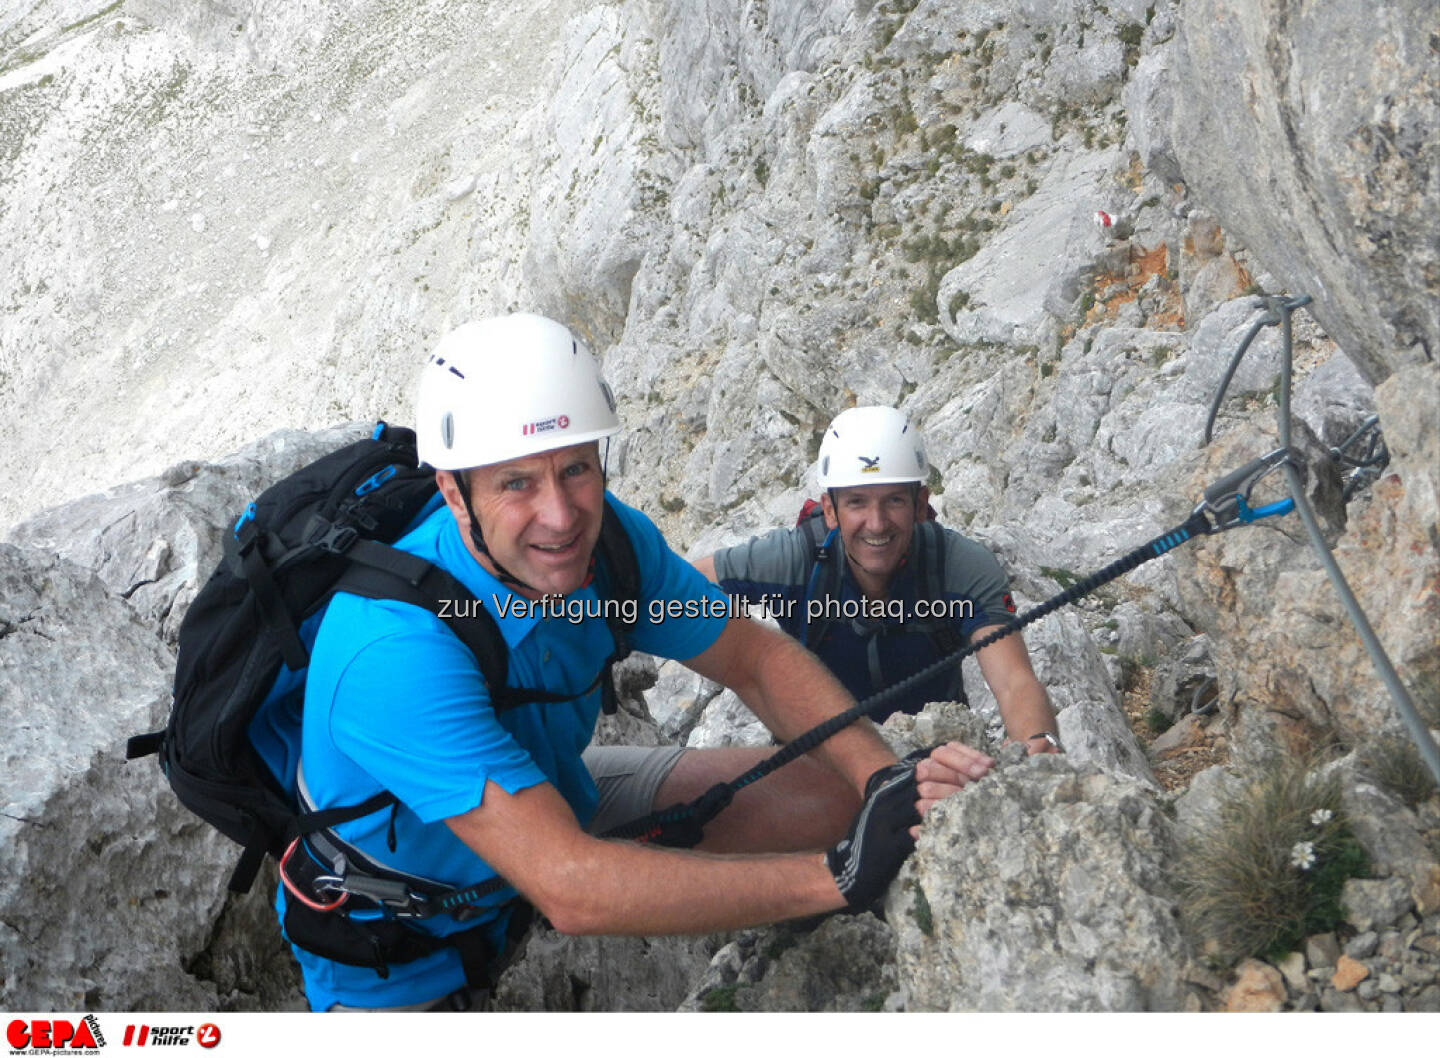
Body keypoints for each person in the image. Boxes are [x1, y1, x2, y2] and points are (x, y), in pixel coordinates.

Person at [284, 315, 995, 1011]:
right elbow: (568, 885)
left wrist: (885, 777)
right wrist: (834, 877)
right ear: (452, 491)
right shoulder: (393, 650)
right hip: (401, 938)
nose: (560, 516)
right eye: (516, 483)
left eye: (574, 470)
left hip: (551, 798)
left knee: (850, 799)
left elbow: (750, 657)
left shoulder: (610, 549)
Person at [694, 406, 1059, 753]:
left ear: (920, 505)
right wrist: (749, 654)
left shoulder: (961, 567)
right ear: (830, 512)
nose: (877, 523)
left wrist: (1038, 742)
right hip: (819, 766)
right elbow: (682, 589)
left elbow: (1014, 681)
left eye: (894, 501)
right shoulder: (795, 561)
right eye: (856, 502)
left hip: (934, 763)